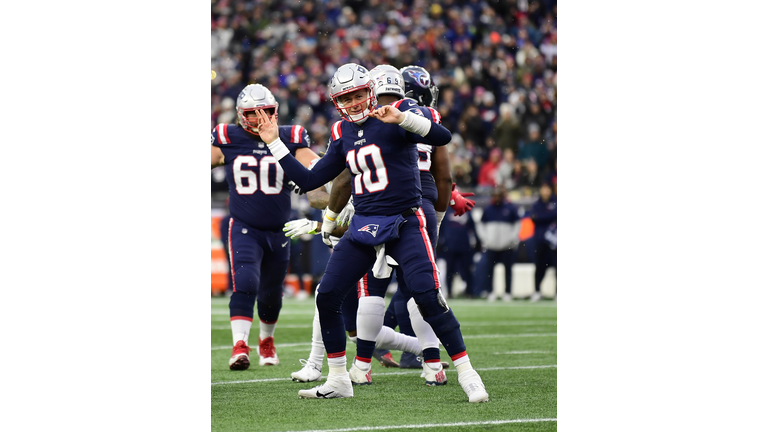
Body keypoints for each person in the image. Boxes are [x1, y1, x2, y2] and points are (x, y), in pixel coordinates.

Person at [260, 63, 489, 402]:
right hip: (365, 223)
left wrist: (404, 121)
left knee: (426, 294)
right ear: (338, 102)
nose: (353, 103)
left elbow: (443, 137)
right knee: (328, 294)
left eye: (357, 95)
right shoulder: (342, 132)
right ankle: (339, 378)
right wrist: (274, 143)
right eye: (345, 98)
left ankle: (467, 372)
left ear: (369, 91)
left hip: (406, 219)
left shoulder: (398, 112)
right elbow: (311, 180)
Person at [210, 84, 321, 370]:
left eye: (266, 111)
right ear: (239, 115)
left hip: (280, 228)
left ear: (276, 111)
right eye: (252, 113)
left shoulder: (290, 135)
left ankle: (266, 341)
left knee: (271, 293)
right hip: (244, 224)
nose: (259, 117)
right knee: (246, 282)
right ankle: (240, 345)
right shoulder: (227, 136)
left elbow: (316, 169)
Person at [477, 185, 522, 302]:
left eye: (499, 195)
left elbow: (517, 225)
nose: (497, 198)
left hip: (507, 246)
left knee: (508, 270)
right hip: (492, 246)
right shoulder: (488, 209)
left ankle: (507, 292)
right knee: (489, 270)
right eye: (495, 195)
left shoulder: (511, 208)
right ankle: (491, 291)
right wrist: (486, 239)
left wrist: (512, 239)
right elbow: (480, 226)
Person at [530, 181, 557, 302]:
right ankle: (537, 291)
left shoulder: (555, 202)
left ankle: (557, 292)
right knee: (539, 267)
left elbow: (539, 217)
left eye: (547, 189)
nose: (545, 191)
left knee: (557, 267)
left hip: (554, 241)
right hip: (540, 240)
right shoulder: (536, 204)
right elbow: (534, 217)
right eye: (543, 189)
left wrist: (542, 217)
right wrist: (549, 216)